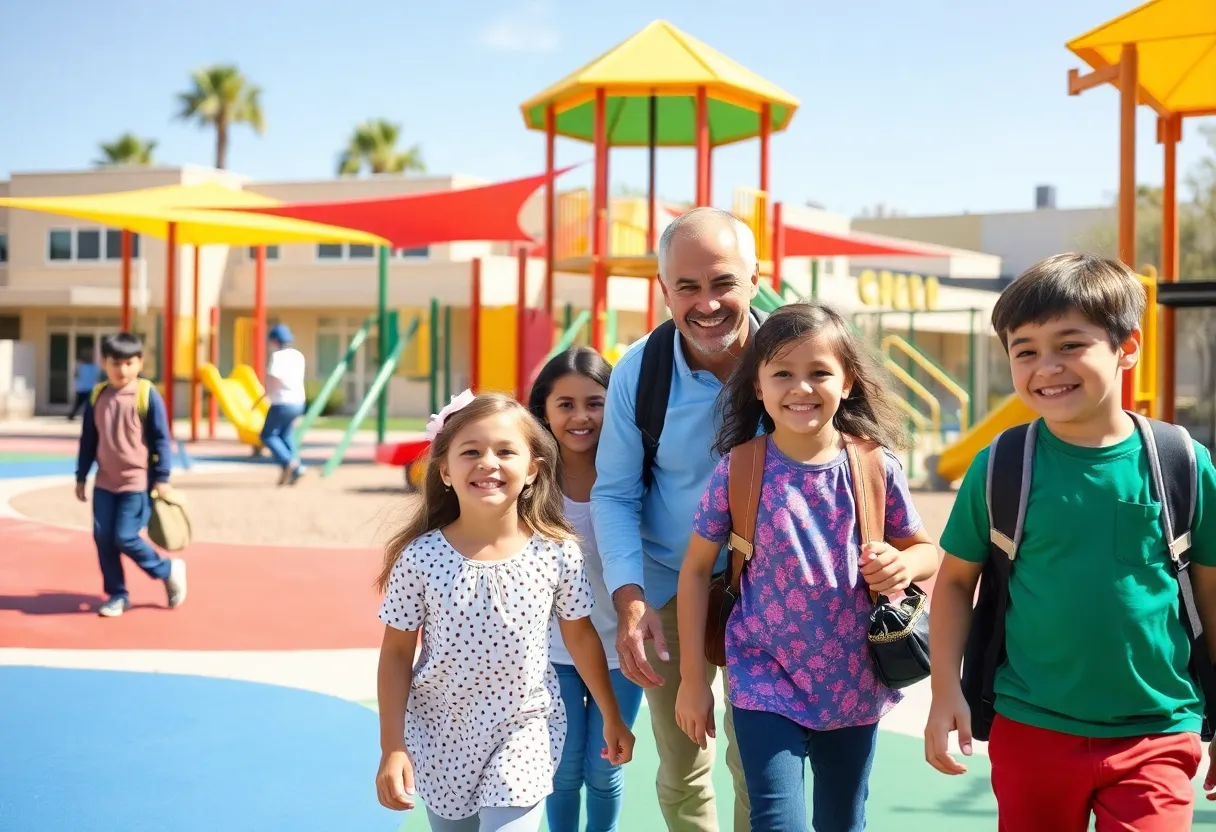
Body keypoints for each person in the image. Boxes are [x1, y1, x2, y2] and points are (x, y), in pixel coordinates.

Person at [925, 253, 1216, 831]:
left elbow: (1209, 594)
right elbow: (956, 582)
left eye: (1070, 344)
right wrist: (943, 693)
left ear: (1127, 348)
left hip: (1157, 731)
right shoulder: (1000, 467)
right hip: (1031, 728)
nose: (1047, 366)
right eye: (1025, 350)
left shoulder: (1182, 462)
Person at [673, 303, 939, 831]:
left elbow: (925, 550)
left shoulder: (873, 464)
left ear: (848, 383)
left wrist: (901, 564)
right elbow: (696, 571)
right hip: (761, 674)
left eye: (819, 372)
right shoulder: (741, 467)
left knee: (843, 820)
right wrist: (691, 681)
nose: (801, 387)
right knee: (777, 821)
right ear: (757, 387)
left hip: (855, 680)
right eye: (782, 374)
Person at [374, 391, 636, 832]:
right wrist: (392, 746)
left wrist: (611, 713)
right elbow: (397, 653)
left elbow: (580, 636)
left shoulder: (558, 553)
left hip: (524, 729)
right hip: (442, 734)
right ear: (444, 470)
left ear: (532, 469)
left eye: (506, 451)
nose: (487, 462)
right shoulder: (419, 558)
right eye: (471, 451)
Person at [593, 206, 759, 832]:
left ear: (754, 277)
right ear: (664, 290)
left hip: (765, 592)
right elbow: (613, 494)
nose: (706, 303)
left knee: (760, 765)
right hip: (665, 586)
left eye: (722, 282)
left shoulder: (792, 358)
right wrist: (630, 599)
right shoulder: (641, 370)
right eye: (686, 287)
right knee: (683, 763)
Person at [529, 347, 645, 832]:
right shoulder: (530, 482)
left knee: (605, 766)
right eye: (566, 404)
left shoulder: (634, 472)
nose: (581, 416)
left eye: (594, 403)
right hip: (552, 651)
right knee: (563, 767)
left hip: (623, 649)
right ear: (544, 411)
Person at [75, 332, 187, 618]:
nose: (121, 369)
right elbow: (88, 439)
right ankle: (117, 594)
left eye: (129, 363)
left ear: (140, 362)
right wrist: (81, 475)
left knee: (124, 537)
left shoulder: (146, 394)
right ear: (104, 362)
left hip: (136, 482)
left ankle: (167, 569)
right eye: (115, 363)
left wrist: (162, 476)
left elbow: (161, 438)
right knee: (103, 538)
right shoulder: (98, 395)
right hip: (104, 482)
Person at [259, 323, 307, 485]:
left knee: (267, 434)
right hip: (298, 402)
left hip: (282, 401)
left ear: (275, 341)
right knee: (286, 435)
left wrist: (267, 394)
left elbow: (274, 379)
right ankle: (298, 468)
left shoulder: (278, 357)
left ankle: (289, 462)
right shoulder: (297, 355)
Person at [68, 347, 101, 420]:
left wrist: (75, 386)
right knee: (90, 404)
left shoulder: (81, 366)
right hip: (90, 388)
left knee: (78, 403)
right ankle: (89, 416)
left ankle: (72, 415)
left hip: (82, 388)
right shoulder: (94, 367)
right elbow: (97, 377)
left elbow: (76, 376)